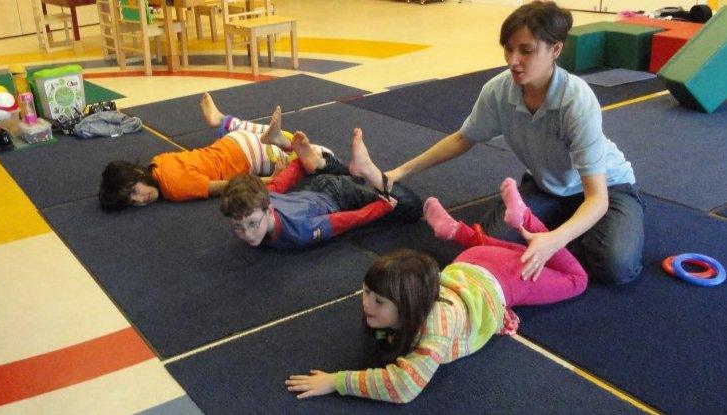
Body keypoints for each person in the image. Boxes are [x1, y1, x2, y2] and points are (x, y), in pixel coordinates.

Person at [382, 1, 644, 284]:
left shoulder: (576, 101)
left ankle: (574, 230)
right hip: (548, 186)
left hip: (608, 188)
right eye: (508, 48)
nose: (512, 60)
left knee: (615, 265)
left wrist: (554, 241)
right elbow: (462, 138)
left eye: (526, 50)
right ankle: (563, 229)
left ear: (555, 50)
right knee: (489, 245)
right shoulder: (498, 91)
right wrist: (398, 172)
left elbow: (597, 198)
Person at [285, 178, 588, 403]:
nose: (366, 305)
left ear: (408, 305)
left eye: (377, 300)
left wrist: (337, 381)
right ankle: (465, 231)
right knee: (512, 252)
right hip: (473, 264)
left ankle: (525, 221)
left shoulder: (436, 330)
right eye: (365, 293)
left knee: (577, 279)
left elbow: (402, 388)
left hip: (494, 275)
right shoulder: (409, 298)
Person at [98, 93, 328, 211]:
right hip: (232, 142)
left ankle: (283, 144)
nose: (140, 199)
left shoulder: (174, 189)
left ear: (138, 174)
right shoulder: (158, 161)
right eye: (132, 201)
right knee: (270, 136)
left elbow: (226, 185)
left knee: (320, 157)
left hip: (249, 157)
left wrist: (271, 180)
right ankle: (223, 121)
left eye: (134, 191)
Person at [220, 128, 422, 249]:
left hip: (339, 194)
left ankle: (367, 171)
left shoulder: (298, 232)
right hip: (317, 187)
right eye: (238, 227)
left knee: (412, 208)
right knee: (350, 176)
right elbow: (280, 182)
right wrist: (298, 163)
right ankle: (320, 164)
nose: (247, 234)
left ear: (269, 209)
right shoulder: (263, 197)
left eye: (253, 224)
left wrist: (381, 208)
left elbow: (345, 220)